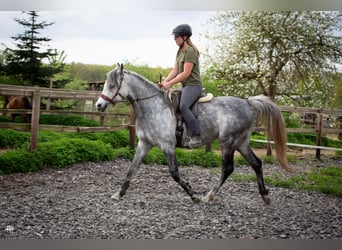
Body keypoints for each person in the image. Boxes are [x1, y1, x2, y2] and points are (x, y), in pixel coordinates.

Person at [160, 24, 203, 148]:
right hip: (185, 86)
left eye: (176, 36)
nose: (174, 39)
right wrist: (164, 83)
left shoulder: (190, 51)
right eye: (174, 37)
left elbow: (186, 73)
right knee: (171, 101)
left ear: (184, 37)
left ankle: (196, 135)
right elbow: (175, 70)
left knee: (183, 106)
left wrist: (170, 83)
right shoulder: (180, 51)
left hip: (193, 85)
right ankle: (179, 133)